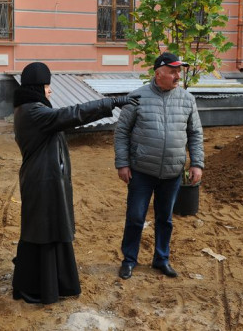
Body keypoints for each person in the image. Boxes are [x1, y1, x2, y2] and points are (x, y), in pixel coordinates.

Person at [12, 61, 137, 304]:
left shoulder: (31, 108)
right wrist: (111, 102)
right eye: (46, 86)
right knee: (44, 233)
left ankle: (53, 285)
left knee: (51, 231)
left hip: (45, 180)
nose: (50, 90)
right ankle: (37, 288)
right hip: (42, 181)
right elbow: (71, 114)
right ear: (37, 87)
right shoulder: (33, 111)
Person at [114, 52, 204, 280]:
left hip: (172, 172)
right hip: (142, 171)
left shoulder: (187, 99)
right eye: (173, 71)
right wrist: (122, 163)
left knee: (165, 219)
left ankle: (161, 259)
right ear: (158, 73)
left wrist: (197, 163)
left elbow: (195, 133)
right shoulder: (137, 97)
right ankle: (129, 260)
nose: (178, 76)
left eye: (179, 71)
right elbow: (121, 132)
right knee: (135, 217)